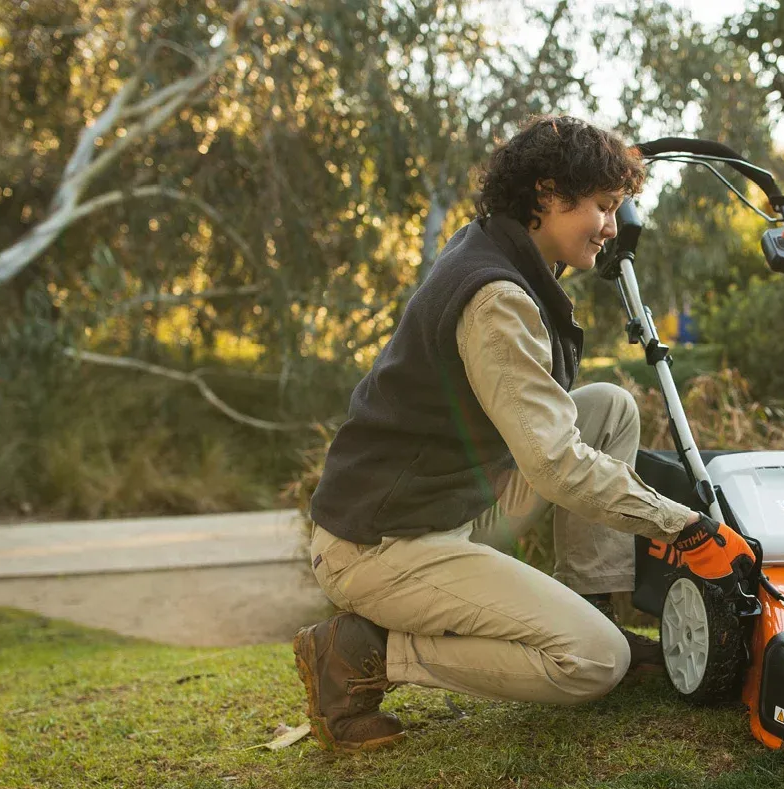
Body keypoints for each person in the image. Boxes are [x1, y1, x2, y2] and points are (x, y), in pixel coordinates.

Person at [294, 116, 755, 752]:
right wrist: (685, 527)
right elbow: (555, 464)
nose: (612, 228)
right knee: (593, 664)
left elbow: (553, 430)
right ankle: (362, 653)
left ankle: (593, 607)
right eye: (602, 206)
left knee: (609, 408)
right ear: (545, 195)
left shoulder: (496, 248)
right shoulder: (496, 298)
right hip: (379, 547)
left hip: (446, 509)